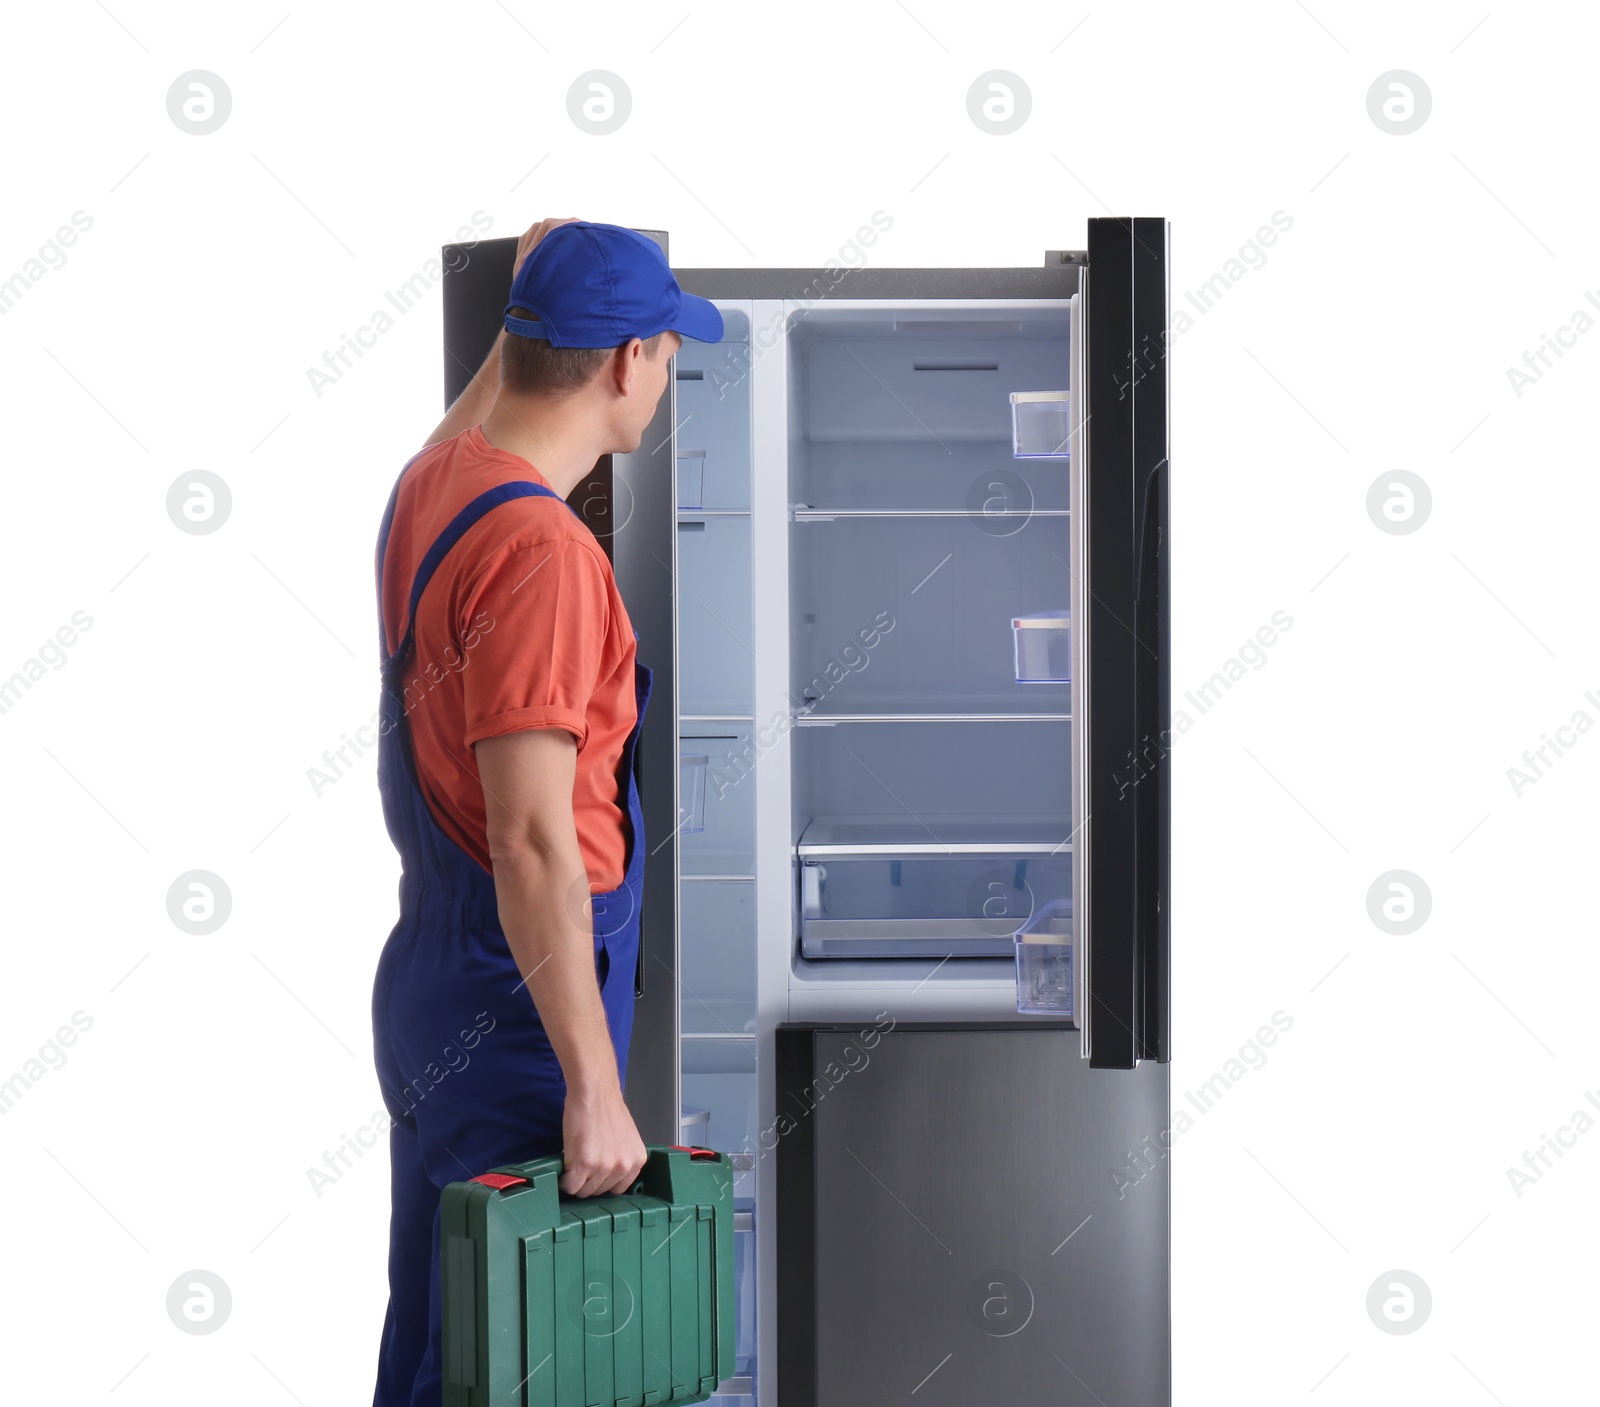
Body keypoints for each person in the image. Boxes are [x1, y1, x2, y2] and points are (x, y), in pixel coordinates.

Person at [368, 216, 724, 1406]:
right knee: (517, 1359)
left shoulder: (441, 485)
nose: (668, 375)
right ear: (628, 360)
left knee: (441, 1331)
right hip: (519, 1006)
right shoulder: (547, 557)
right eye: (669, 350)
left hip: (436, 977)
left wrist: (524, 303)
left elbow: (490, 409)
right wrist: (593, 1087)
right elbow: (530, 842)